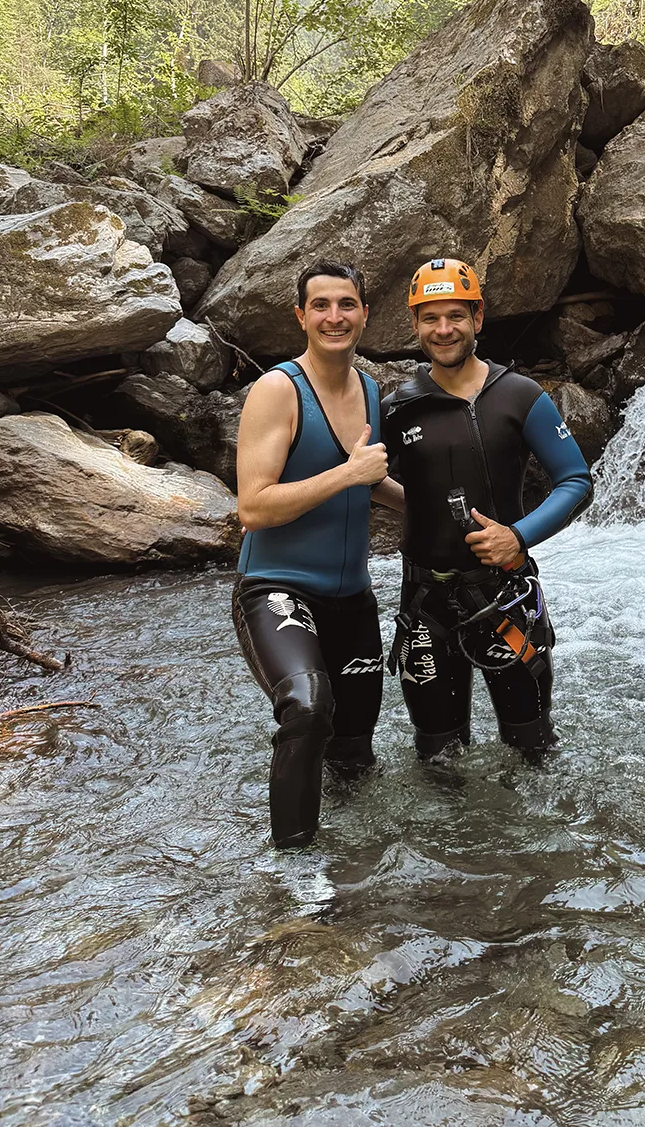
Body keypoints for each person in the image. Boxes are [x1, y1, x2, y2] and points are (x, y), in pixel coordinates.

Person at [382, 258, 592, 761]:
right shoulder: (396, 408)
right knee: (437, 757)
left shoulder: (519, 395)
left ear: (478, 318)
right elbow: (363, 481)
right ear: (414, 325)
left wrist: (517, 537)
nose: (443, 329)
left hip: (506, 598)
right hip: (425, 601)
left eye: (456, 315)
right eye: (430, 318)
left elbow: (577, 481)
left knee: (533, 750)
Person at [233, 260, 404, 849]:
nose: (336, 317)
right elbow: (253, 507)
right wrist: (349, 472)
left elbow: (369, 482)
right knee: (306, 708)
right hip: (276, 587)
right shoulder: (278, 390)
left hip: (351, 599)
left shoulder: (372, 391)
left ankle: (361, 864)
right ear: (301, 316)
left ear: (364, 313)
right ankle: (295, 874)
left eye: (347, 305)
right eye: (322, 305)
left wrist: (441, 517)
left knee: (354, 746)